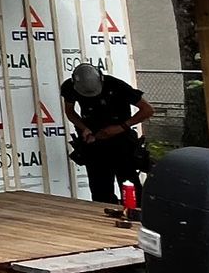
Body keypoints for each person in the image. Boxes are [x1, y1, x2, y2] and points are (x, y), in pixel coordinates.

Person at [60, 62, 154, 206]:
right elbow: (70, 111)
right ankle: (102, 220)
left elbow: (147, 110)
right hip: (94, 141)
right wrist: (84, 128)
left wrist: (121, 127)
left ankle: (135, 215)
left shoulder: (117, 86)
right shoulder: (70, 87)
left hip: (121, 141)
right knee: (100, 190)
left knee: (130, 184)